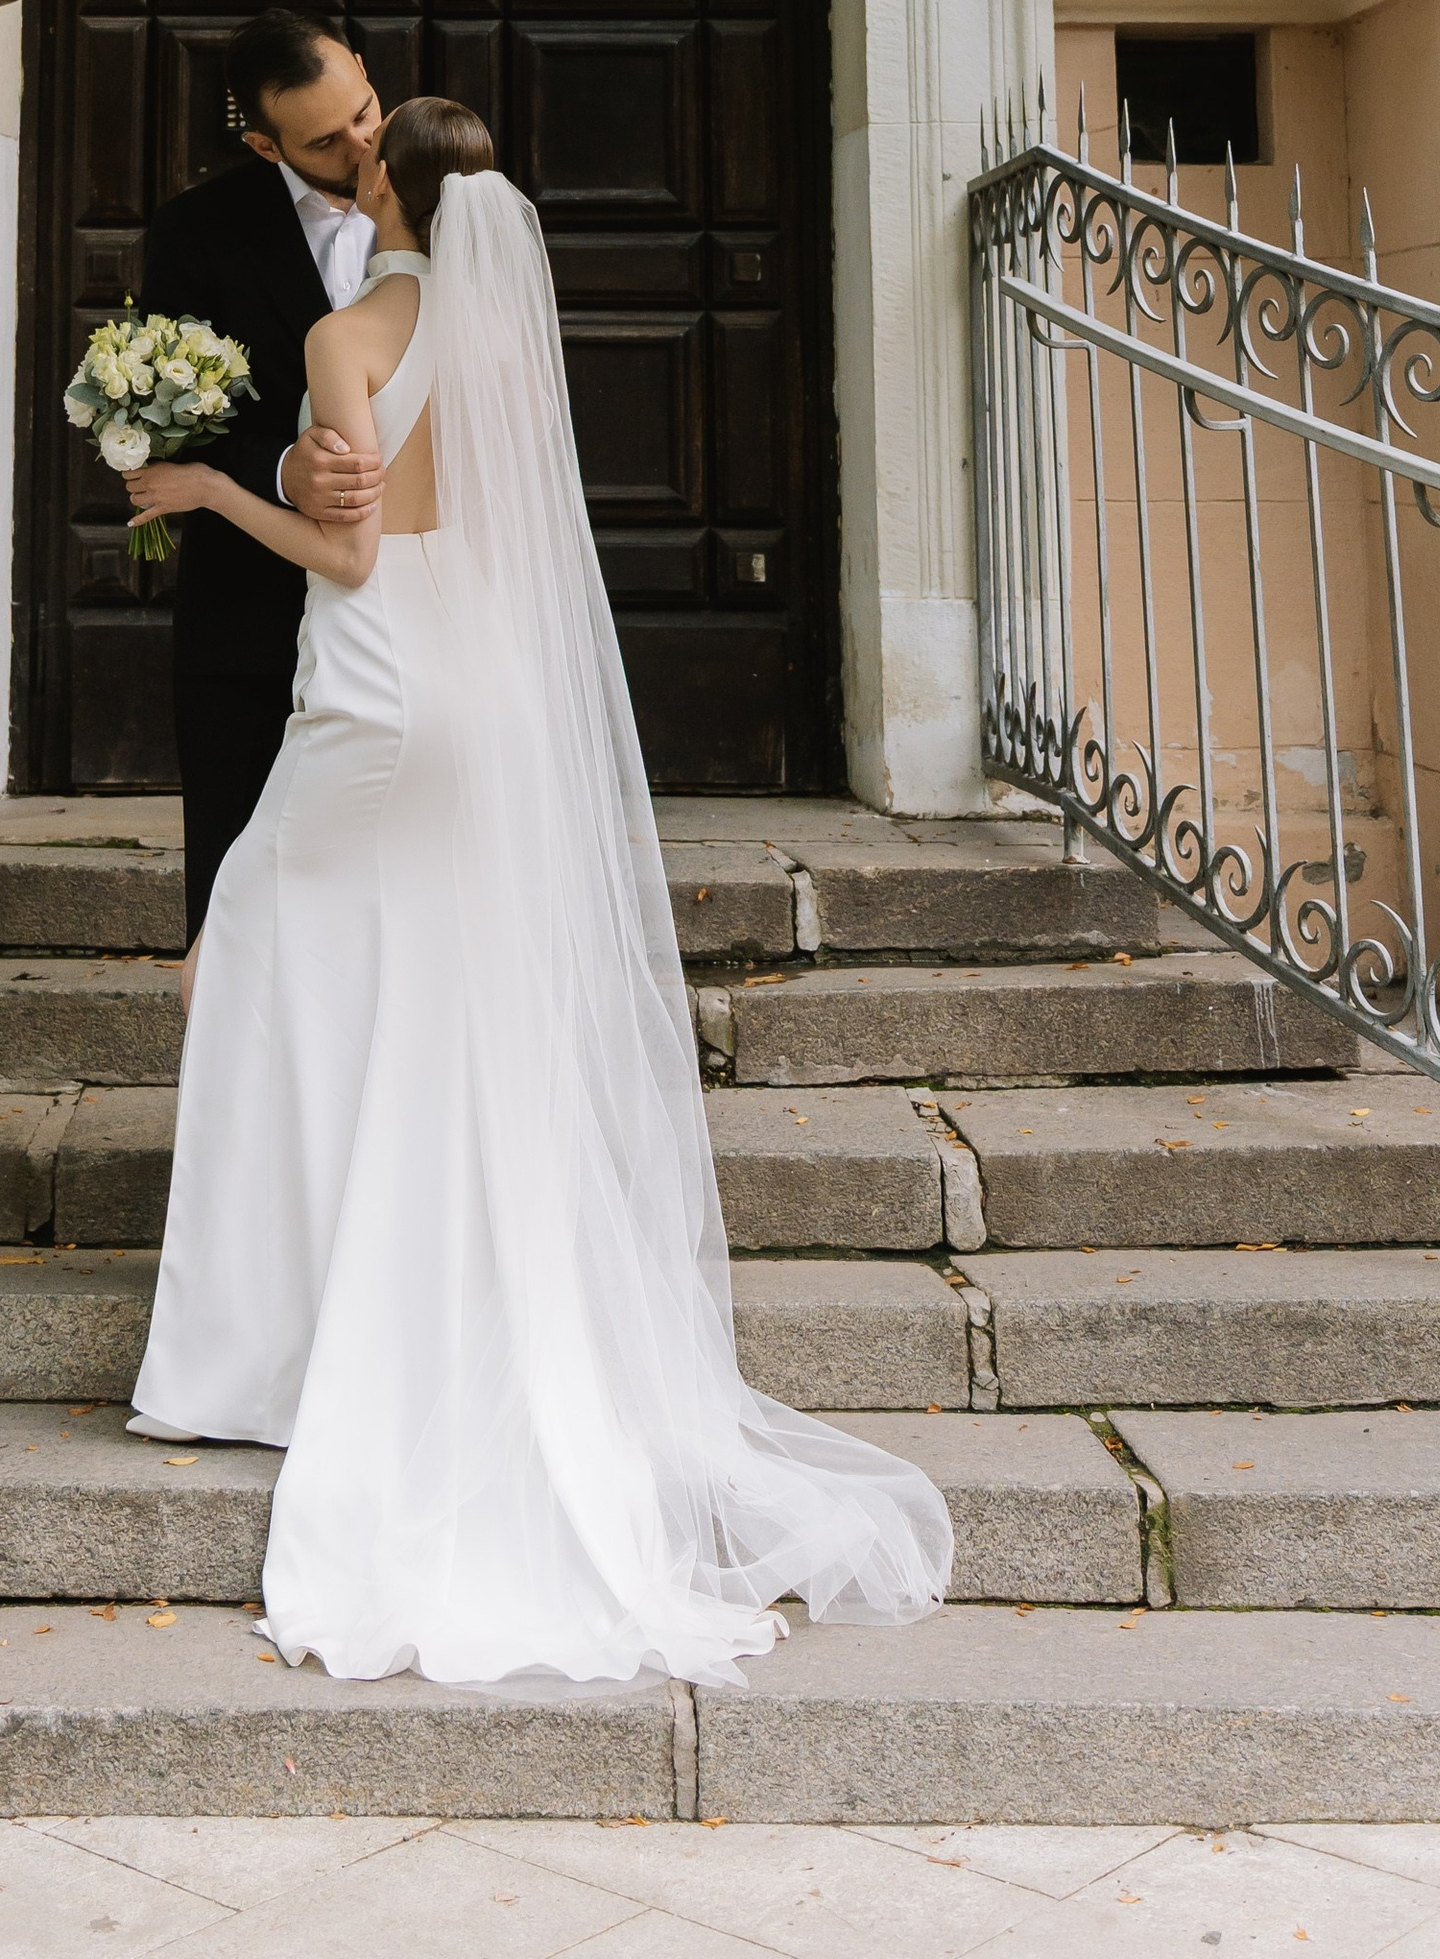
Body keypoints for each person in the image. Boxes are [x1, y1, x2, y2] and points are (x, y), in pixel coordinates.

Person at [119, 96, 954, 1689]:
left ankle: (263, 1353)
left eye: (361, 153)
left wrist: (214, 489)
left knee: (241, 952)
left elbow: (353, 556)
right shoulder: (504, 335)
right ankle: (358, 1318)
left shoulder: (347, 335)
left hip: (378, 697)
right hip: (486, 693)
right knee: (408, 989)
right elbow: (467, 518)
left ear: (384, 190)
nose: (347, 163)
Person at [137, 8, 387, 961]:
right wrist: (282, 470)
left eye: (364, 112)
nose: (361, 147)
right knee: (238, 900)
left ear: (363, 67)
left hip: (410, 619)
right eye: (325, 141)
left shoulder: (457, 210)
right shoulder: (195, 232)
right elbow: (167, 422)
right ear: (263, 144)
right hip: (249, 617)